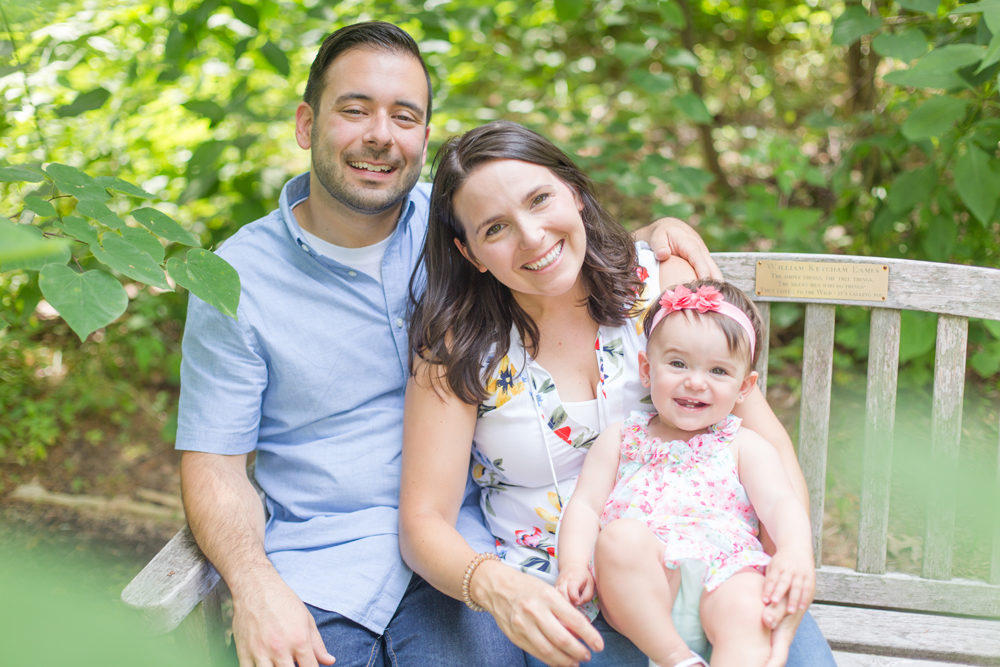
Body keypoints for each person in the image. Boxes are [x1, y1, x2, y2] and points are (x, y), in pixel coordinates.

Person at [175, 21, 713, 667]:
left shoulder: (465, 226)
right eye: (355, 109)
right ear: (304, 124)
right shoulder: (231, 280)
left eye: (404, 116)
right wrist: (253, 583)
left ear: (423, 137)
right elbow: (213, 464)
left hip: (465, 545)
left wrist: (659, 233)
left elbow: (553, 239)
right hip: (323, 567)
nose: (380, 134)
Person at [400, 121, 834, 667]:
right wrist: (498, 589)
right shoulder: (459, 349)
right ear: (470, 253)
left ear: (575, 193)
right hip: (566, 602)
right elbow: (423, 523)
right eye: (496, 229)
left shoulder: (660, 287)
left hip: (719, 575)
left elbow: (762, 437)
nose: (532, 236)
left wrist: (789, 562)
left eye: (541, 200)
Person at [555, 280, 815, 667]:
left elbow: (780, 502)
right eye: (677, 364)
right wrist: (574, 564)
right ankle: (677, 658)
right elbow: (585, 507)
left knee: (750, 610)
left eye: (718, 371)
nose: (695, 381)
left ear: (744, 388)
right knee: (619, 538)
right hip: (645, 581)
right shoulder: (622, 438)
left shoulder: (744, 445)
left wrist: (794, 550)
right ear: (647, 369)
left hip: (725, 572)